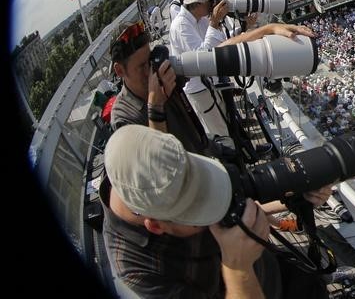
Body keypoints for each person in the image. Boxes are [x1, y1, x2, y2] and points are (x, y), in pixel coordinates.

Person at [101, 124, 333, 298]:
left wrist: (296, 195)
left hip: (279, 272)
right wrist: (237, 267)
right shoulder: (136, 270)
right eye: (199, 213)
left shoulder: (162, 164)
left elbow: (242, 200)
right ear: (156, 225)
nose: (216, 211)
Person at [170, 0, 314, 137]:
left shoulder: (199, 19)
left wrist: (244, 27)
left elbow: (221, 43)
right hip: (199, 90)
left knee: (228, 125)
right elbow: (203, 58)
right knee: (221, 134)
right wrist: (214, 23)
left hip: (210, 84)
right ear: (198, 2)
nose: (213, 5)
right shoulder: (181, 25)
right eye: (210, 1)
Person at [110, 20, 208, 153]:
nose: (150, 71)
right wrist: (155, 106)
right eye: (141, 67)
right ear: (120, 70)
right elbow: (156, 162)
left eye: (150, 60)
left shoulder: (160, 73)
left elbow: (202, 63)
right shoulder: (123, 117)